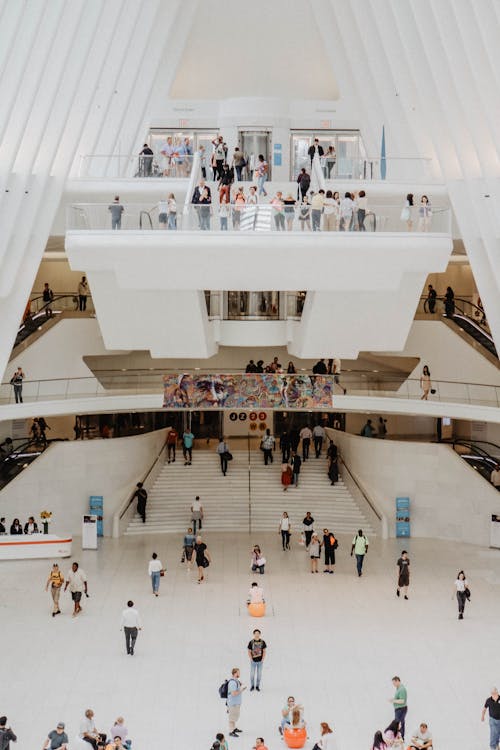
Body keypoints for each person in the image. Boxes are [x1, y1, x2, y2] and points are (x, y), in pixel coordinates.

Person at [227, 667, 246, 737]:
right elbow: (233, 693)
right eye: (238, 672)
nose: (239, 673)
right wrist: (241, 690)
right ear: (235, 673)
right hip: (233, 703)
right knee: (232, 717)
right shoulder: (232, 682)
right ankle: (231, 731)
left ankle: (234, 728)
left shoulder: (236, 680)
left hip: (236, 703)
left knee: (235, 716)